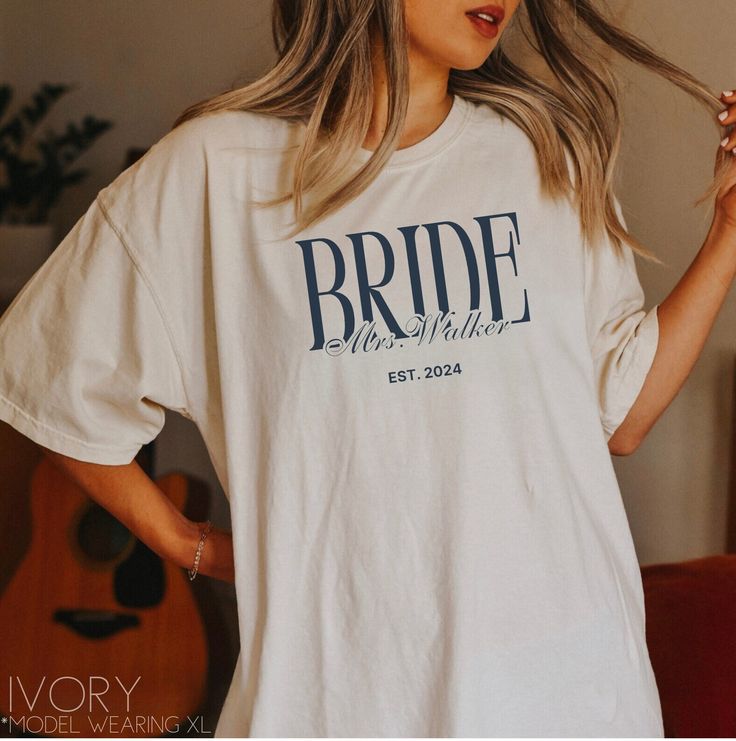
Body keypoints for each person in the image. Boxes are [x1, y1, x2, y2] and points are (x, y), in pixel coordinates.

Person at [0, 0, 735, 736]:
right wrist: (184, 542)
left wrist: (729, 229)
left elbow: (624, 414)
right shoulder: (215, 170)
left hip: (567, 685)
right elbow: (46, 373)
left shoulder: (545, 153)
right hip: (334, 695)